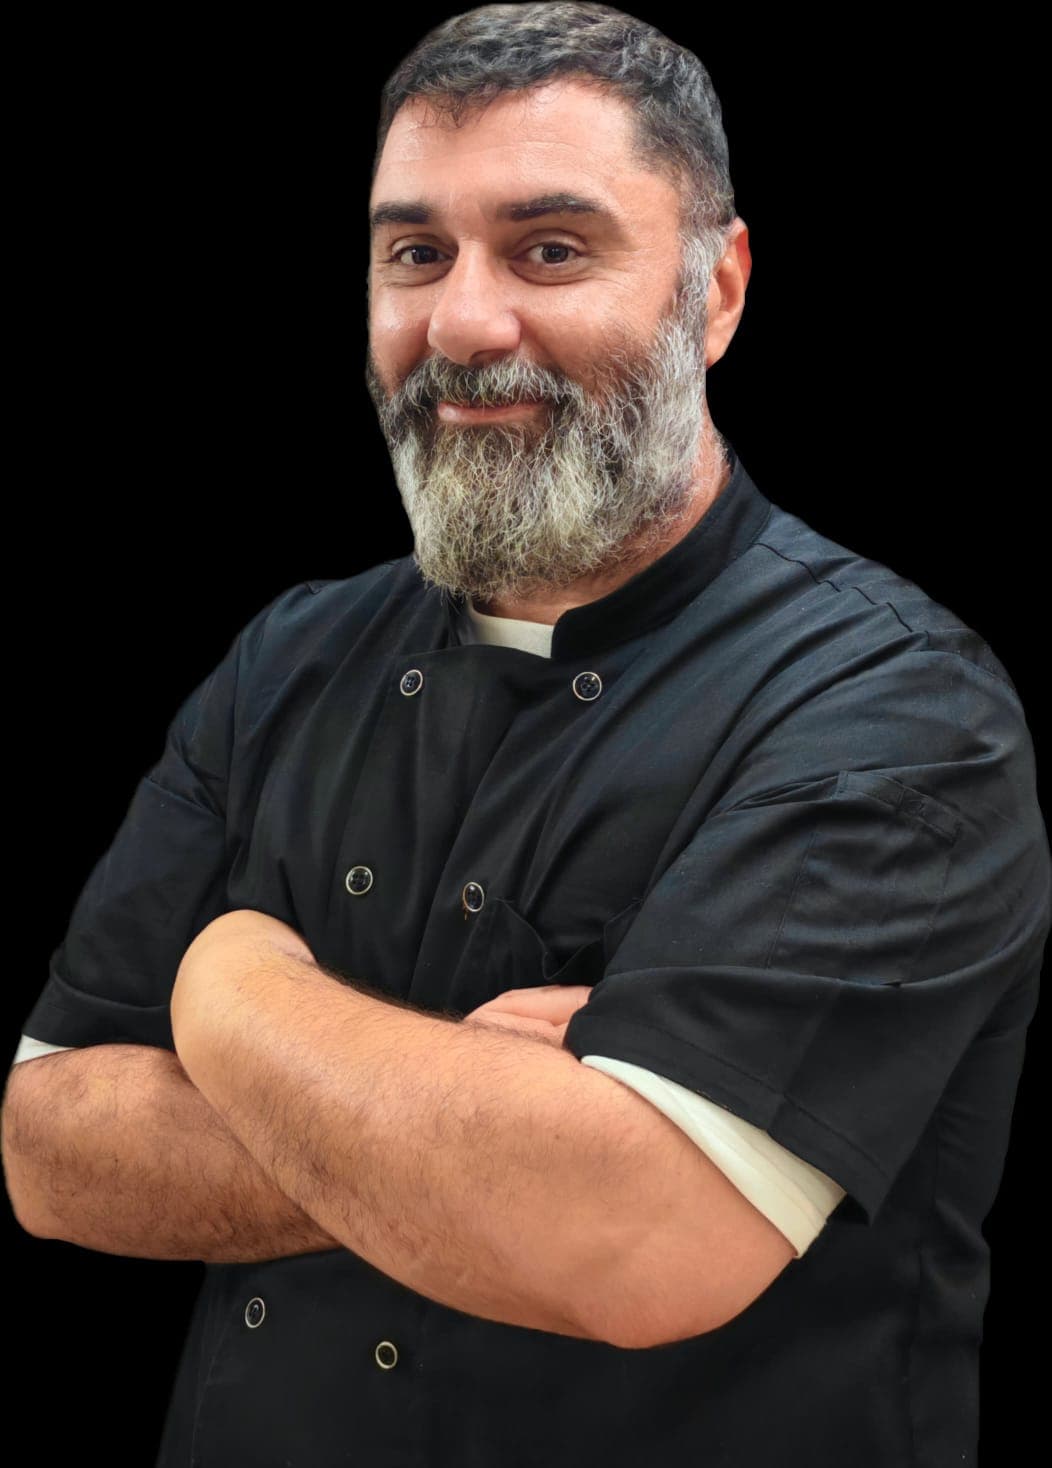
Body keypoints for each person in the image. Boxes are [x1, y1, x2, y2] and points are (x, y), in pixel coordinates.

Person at [3, 5, 1048, 1464]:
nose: (463, 325)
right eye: (414, 254)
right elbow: (51, 1151)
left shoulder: (891, 708)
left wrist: (231, 985)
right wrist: (483, 1136)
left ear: (717, 290)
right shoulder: (289, 656)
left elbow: (628, 1237)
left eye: (550, 250)